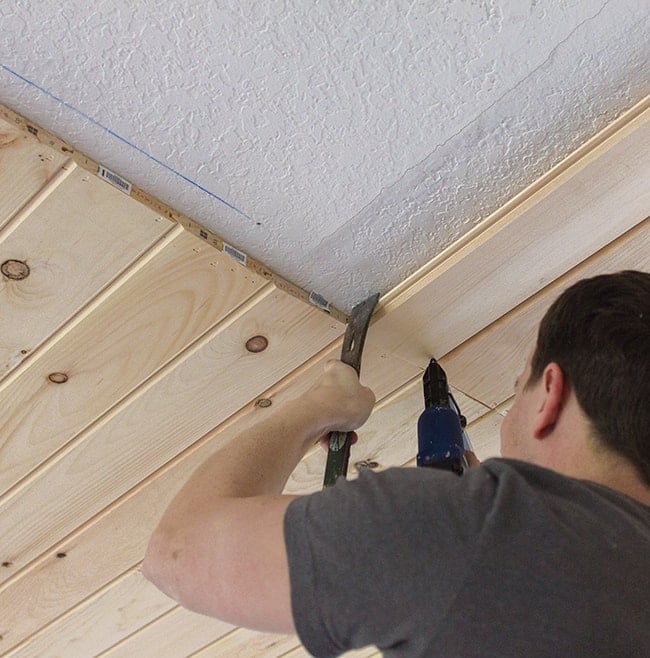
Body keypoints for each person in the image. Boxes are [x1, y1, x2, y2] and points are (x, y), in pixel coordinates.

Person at [143, 270, 650, 657]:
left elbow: (176, 553)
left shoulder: (474, 532)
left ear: (549, 397)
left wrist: (317, 410)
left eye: (518, 388)